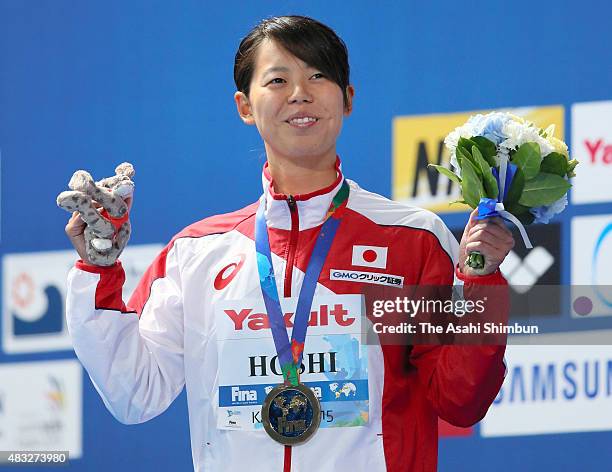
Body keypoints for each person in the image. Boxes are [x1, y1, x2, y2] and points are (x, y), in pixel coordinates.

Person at [64, 15, 514, 472]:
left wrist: (482, 283)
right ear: (244, 105)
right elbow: (135, 392)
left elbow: (461, 400)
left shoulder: (412, 239)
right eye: (278, 79)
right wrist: (98, 268)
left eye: (318, 75)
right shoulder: (195, 253)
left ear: (348, 98)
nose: (300, 92)